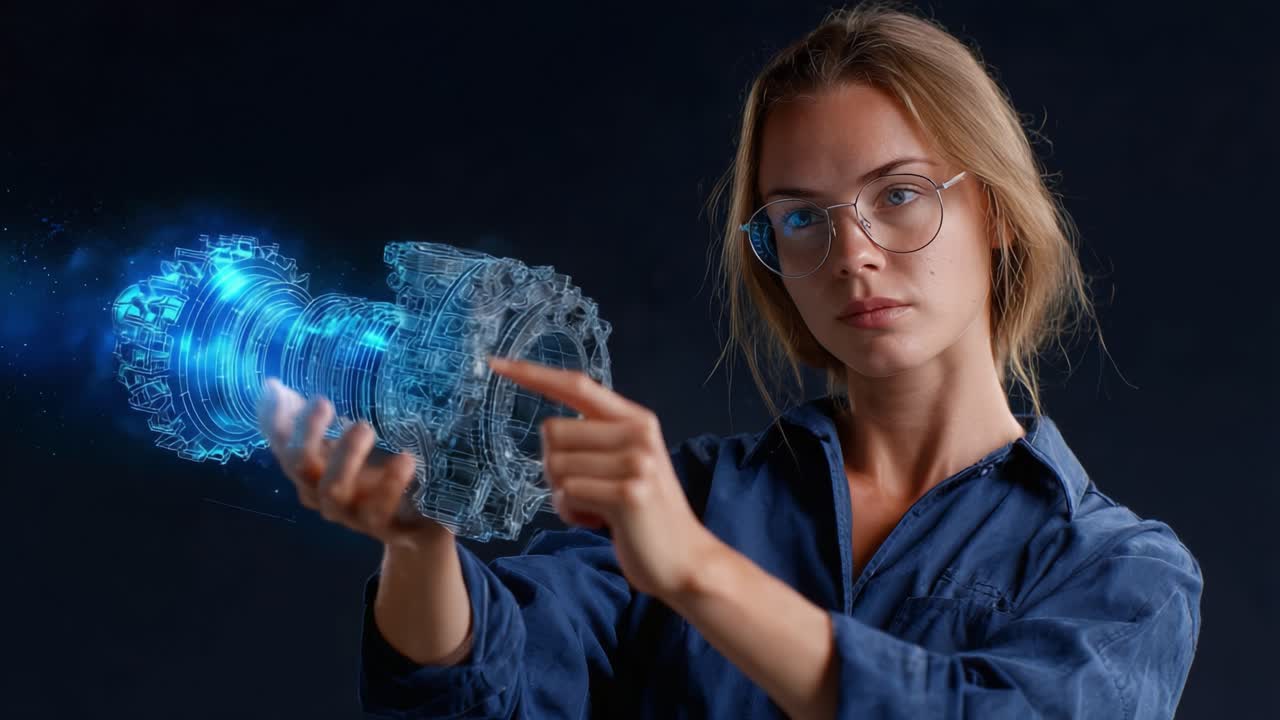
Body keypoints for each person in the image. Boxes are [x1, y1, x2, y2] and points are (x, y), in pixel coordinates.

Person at [255, 3, 1203, 718]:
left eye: (900, 195)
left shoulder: (1121, 574)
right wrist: (419, 544)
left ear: (992, 212)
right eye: (801, 217)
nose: (853, 251)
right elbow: (483, 684)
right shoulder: (691, 497)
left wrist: (699, 574)